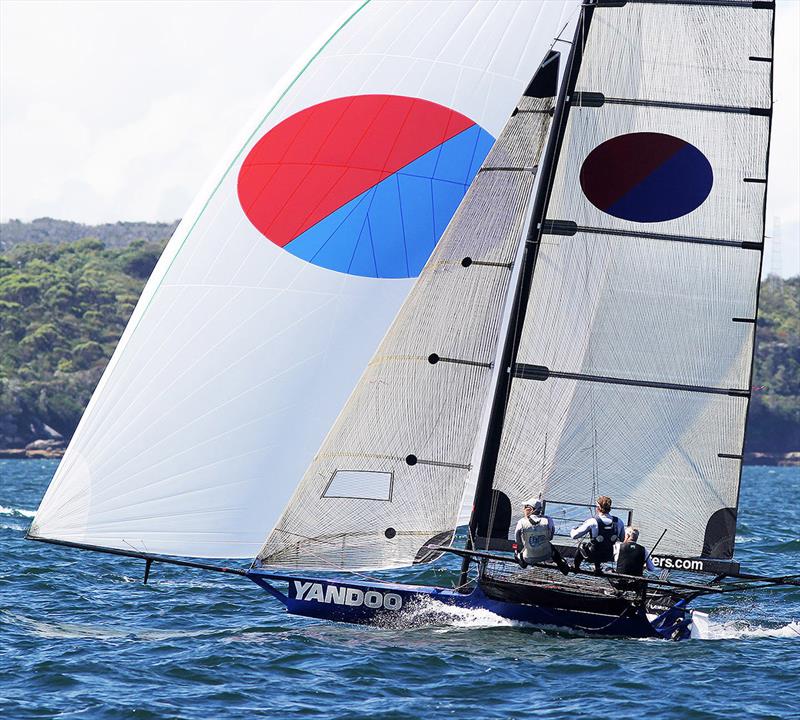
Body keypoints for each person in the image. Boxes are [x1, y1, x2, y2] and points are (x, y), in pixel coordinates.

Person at [570, 495, 625, 574]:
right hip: (609, 556)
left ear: (598, 507)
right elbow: (622, 539)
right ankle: (597, 568)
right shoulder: (619, 521)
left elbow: (574, 536)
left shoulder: (593, 521)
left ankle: (576, 567)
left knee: (583, 546)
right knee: (600, 544)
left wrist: (573, 530)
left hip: (593, 556)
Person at [514, 498, 570, 574]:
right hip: (546, 555)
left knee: (517, 553)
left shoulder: (521, 522)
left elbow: (517, 541)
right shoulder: (548, 520)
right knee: (552, 547)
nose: (524, 509)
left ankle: (522, 563)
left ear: (530, 509)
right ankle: (563, 567)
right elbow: (550, 537)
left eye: (525, 507)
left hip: (529, 557)